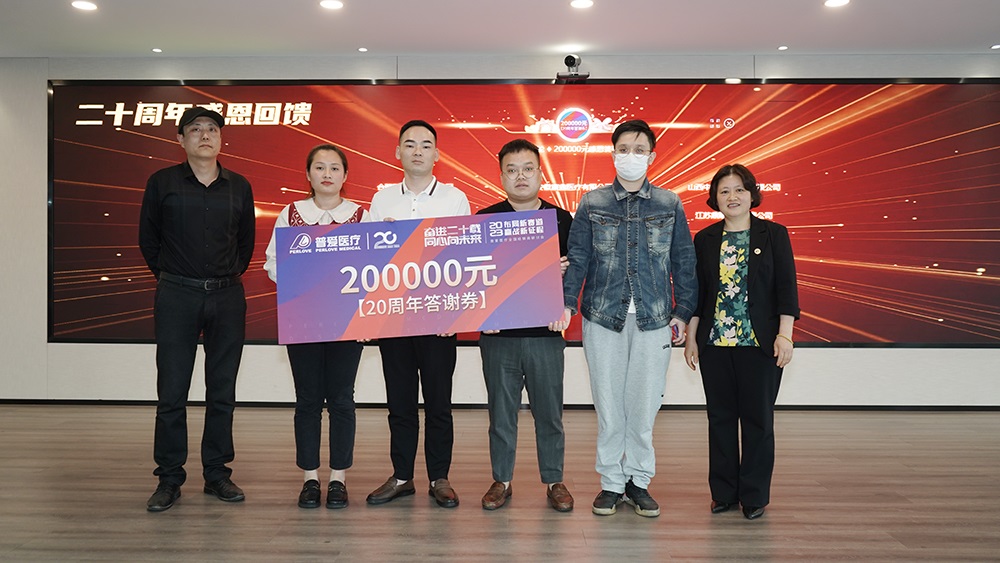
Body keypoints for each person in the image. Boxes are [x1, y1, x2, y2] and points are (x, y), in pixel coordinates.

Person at [557, 119, 696, 518]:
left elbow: (684, 262)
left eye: (639, 150)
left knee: (644, 405)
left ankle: (638, 480)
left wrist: (683, 312)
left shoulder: (669, 203)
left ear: (651, 156)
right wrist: (566, 304)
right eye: (623, 149)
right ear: (613, 153)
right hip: (603, 317)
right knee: (608, 405)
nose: (630, 156)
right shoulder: (592, 203)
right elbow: (578, 259)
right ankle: (611, 483)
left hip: (655, 318)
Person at [138, 107, 256, 512]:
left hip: (227, 296)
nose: (205, 135)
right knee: (172, 392)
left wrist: (224, 277)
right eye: (195, 129)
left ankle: (217, 474)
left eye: (212, 129)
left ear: (221, 138)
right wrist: (175, 278)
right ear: (181, 139)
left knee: (222, 391)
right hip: (177, 295)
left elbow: (245, 244)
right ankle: (169, 478)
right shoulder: (162, 182)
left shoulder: (239, 186)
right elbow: (148, 240)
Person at [683, 163, 799, 521]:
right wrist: (691, 338)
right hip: (715, 344)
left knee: (758, 421)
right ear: (715, 198)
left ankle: (754, 495)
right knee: (719, 420)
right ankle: (723, 494)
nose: (732, 197)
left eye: (739, 189)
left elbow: (786, 289)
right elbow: (699, 294)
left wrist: (785, 335)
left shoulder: (773, 234)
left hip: (759, 345)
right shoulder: (705, 239)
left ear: (751, 195)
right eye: (724, 191)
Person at [365, 120, 471, 508]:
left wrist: (454, 315)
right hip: (393, 316)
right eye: (409, 144)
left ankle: (440, 477)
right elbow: (368, 260)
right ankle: (402, 476)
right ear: (398, 152)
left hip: (439, 320)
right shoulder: (381, 201)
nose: (417, 151)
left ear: (437, 154)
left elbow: (464, 258)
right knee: (400, 403)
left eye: (426, 145)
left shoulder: (455, 199)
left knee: (439, 403)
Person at [263, 144, 369, 509]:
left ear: (345, 175)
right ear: (308, 174)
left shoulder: (361, 216)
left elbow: (374, 267)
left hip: (347, 321)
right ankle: (310, 478)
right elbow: (273, 263)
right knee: (307, 399)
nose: (327, 174)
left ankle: (338, 478)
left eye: (335, 168)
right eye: (320, 167)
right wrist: (306, 283)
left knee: (342, 399)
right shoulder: (291, 214)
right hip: (304, 318)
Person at [476, 139, 575, 512]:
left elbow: (577, 272)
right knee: (501, 414)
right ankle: (501, 480)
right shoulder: (484, 219)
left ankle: (554, 480)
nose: (521, 176)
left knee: (549, 413)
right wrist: (482, 314)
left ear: (540, 174)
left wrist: (564, 290)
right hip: (498, 336)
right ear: (502, 176)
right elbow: (474, 276)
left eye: (528, 168)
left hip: (545, 335)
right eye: (512, 170)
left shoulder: (561, 220)